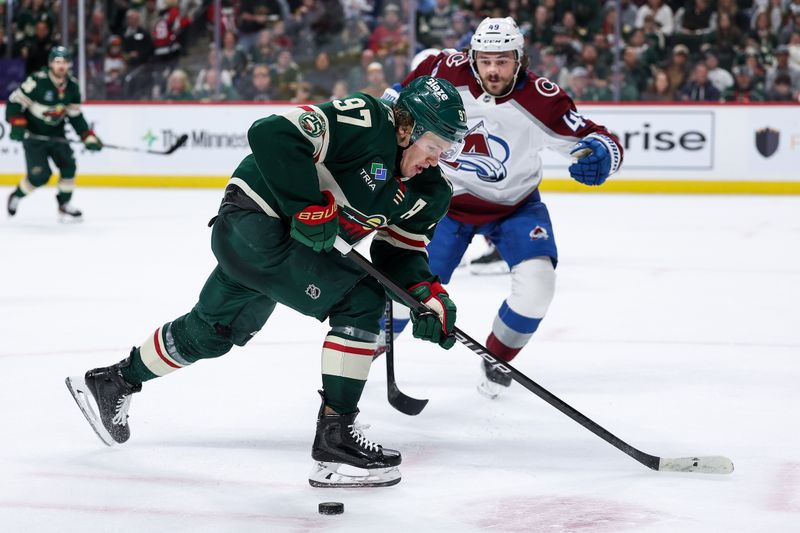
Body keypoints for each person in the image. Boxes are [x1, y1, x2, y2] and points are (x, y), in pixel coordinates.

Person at [65, 76, 468, 488]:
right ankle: (336, 440)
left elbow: (400, 252)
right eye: (435, 146)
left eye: (447, 151)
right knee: (360, 299)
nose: (437, 159)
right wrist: (305, 207)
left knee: (213, 331)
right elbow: (271, 132)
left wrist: (426, 294)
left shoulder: (429, 190)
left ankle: (114, 381)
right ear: (407, 128)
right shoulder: (366, 120)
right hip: (254, 222)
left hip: (285, 249)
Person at [389, 17, 623, 399]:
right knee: (406, 287)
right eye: (485, 60)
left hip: (515, 207)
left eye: (503, 60)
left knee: (538, 286)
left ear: (520, 59)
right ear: (472, 57)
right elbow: (396, 99)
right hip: (443, 204)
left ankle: (498, 357)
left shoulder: (543, 100)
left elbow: (595, 137)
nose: (493, 70)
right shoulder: (442, 70)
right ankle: (371, 346)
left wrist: (603, 155)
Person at [5, 46, 102, 221]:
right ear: (50, 64)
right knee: (39, 176)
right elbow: (14, 103)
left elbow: (75, 116)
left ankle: (64, 205)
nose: (61, 66)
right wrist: (17, 123)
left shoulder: (72, 86)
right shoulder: (37, 81)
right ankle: (17, 196)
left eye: (65, 62)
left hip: (57, 135)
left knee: (68, 168)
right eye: (57, 62)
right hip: (34, 137)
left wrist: (87, 135)